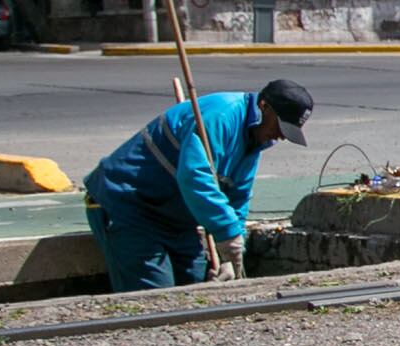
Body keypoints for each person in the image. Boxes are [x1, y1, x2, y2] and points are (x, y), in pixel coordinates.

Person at [82, 77, 313, 291]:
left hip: (174, 219)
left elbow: (238, 197)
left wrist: (231, 255)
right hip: (130, 205)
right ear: (263, 106)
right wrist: (226, 232)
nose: (281, 137)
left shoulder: (256, 139)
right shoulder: (222, 116)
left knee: (194, 291)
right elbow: (194, 177)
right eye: (281, 127)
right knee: (155, 300)